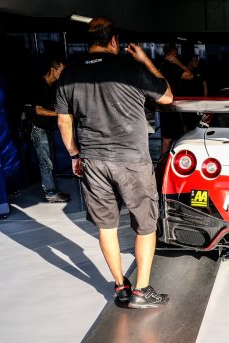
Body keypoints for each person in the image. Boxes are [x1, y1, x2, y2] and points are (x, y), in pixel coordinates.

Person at [55, 17, 173, 309]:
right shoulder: (130, 68)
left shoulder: (69, 73)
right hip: (131, 160)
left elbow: (63, 121)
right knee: (145, 224)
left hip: (93, 161)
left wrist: (74, 154)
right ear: (114, 40)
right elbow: (167, 97)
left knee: (106, 226)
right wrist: (145, 60)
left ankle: (121, 287)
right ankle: (141, 291)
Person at [24, 58, 70, 203]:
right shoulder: (39, 85)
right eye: (61, 71)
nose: (62, 74)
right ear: (53, 70)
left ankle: (52, 190)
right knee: (45, 161)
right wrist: (60, 113)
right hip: (38, 128)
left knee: (49, 160)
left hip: (46, 128)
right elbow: (38, 110)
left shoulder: (52, 86)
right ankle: (51, 194)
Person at [158, 42, 193, 154]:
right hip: (171, 104)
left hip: (164, 103)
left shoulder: (160, 65)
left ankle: (164, 160)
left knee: (167, 137)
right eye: (176, 53)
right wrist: (178, 63)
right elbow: (190, 75)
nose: (178, 55)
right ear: (172, 54)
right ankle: (167, 160)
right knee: (171, 137)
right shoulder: (171, 67)